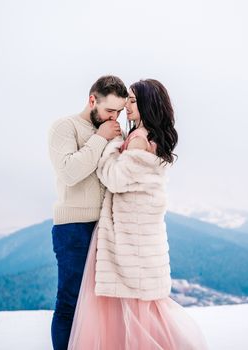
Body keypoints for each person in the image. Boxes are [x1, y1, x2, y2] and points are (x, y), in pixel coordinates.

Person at [67, 79, 209, 349]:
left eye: (133, 101)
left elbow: (116, 179)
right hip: (143, 231)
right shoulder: (154, 138)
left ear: (147, 104)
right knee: (141, 307)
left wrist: (111, 144)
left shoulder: (137, 140)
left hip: (129, 234)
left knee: (127, 307)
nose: (127, 106)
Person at [48, 75, 129, 350]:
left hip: (104, 225)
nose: (114, 117)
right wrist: (99, 138)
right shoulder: (64, 127)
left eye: (118, 112)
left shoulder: (112, 132)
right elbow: (70, 173)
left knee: (103, 303)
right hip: (73, 227)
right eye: (109, 110)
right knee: (70, 302)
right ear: (92, 100)